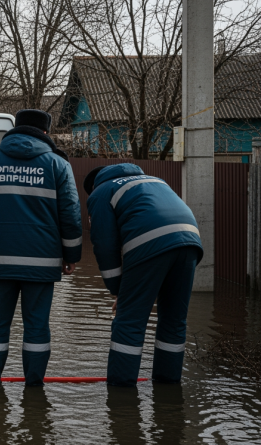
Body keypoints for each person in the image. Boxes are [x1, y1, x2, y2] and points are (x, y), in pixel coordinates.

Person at [0, 109, 82, 386]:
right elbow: (71, 215)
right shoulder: (57, 165)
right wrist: (71, 256)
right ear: (45, 133)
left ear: (15, 129)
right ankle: (34, 389)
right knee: (37, 327)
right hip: (42, 263)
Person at [84, 164, 203, 387]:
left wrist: (118, 290)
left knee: (129, 321)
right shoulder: (154, 180)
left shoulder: (101, 192)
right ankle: (167, 386)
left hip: (150, 242)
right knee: (173, 320)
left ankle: (121, 394)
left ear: (93, 185)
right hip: (190, 242)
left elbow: (104, 245)